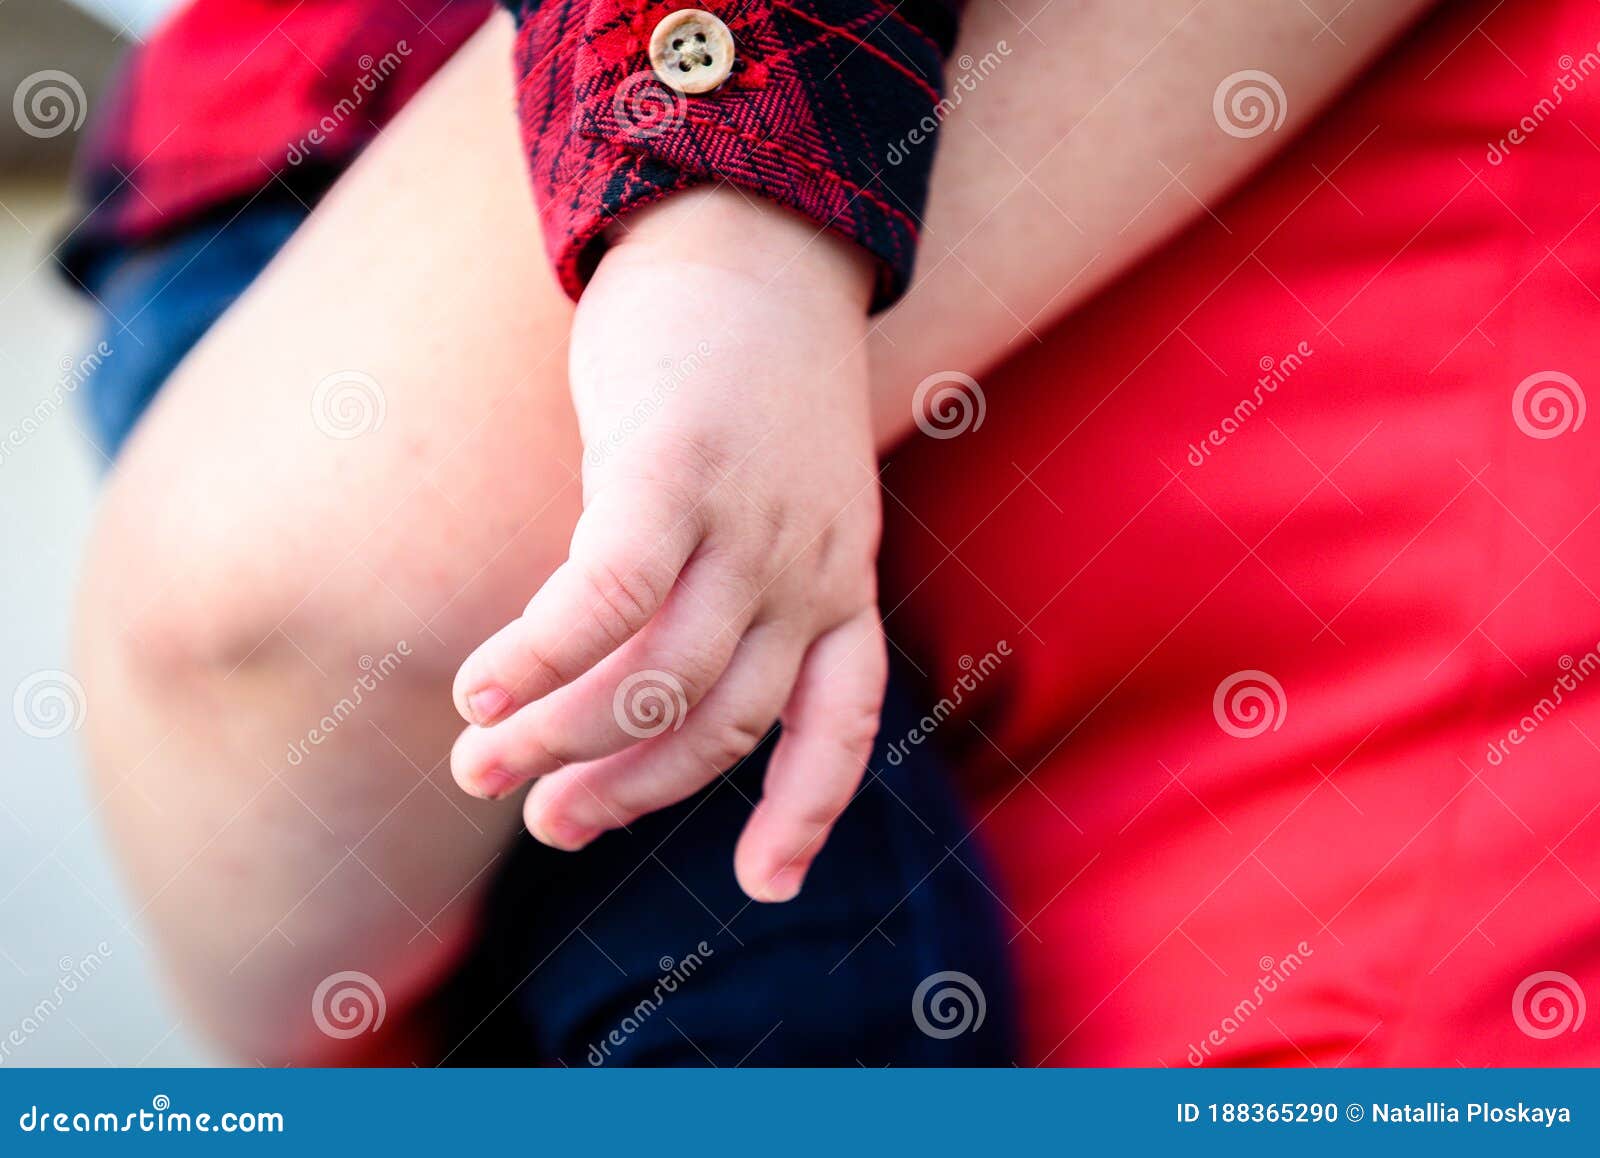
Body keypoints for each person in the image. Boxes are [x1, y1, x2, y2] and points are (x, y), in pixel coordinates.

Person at [74, 0, 1594, 1069]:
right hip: (333, 184)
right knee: (791, 974)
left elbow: (286, 628)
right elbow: (290, 619)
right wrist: (718, 221)